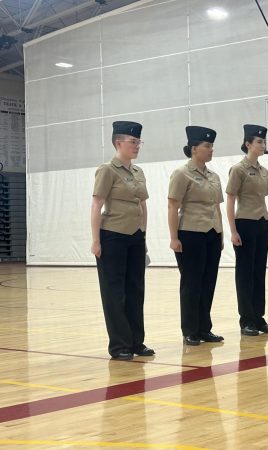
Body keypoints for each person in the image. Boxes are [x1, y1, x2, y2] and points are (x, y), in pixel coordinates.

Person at [91, 121, 155, 360]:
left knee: (136, 290)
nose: (137, 145)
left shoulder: (138, 172)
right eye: (133, 141)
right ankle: (119, 345)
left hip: (135, 237)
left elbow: (143, 205)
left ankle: (136, 341)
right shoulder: (107, 170)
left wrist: (144, 236)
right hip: (113, 235)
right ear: (119, 142)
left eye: (139, 141)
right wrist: (96, 240)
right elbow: (97, 205)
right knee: (114, 292)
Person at [168, 126, 225, 346]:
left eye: (211, 146)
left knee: (208, 282)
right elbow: (173, 206)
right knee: (192, 283)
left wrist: (220, 233)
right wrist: (174, 238)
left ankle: (204, 328)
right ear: (194, 149)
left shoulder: (214, 176)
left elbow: (216, 207)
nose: (211, 150)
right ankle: (190, 330)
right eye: (207, 146)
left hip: (211, 234)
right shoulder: (182, 174)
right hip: (190, 233)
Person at [226, 124, 268, 336]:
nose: (263, 145)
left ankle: (259, 317)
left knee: (259, 273)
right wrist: (233, 230)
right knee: (245, 274)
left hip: (260, 222)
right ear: (248, 144)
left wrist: (266, 227)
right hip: (244, 223)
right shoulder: (238, 169)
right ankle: (246, 319)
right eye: (259, 142)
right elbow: (230, 200)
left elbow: (261, 200)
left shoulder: (264, 171)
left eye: (264, 142)